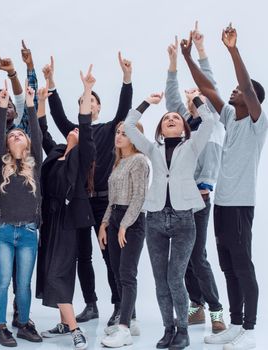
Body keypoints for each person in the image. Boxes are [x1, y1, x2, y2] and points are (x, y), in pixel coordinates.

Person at [125, 49, 215, 348]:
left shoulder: (191, 147)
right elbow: (127, 127)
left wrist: (196, 98)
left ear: (184, 125)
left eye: (177, 117)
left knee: (176, 277)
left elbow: (210, 122)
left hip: (183, 218)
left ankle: (184, 331)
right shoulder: (151, 149)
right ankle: (168, 329)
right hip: (155, 220)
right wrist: (147, 104)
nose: (172, 119)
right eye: (167, 118)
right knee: (160, 280)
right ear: (161, 128)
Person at [183, 24, 266, 350]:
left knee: (244, 266)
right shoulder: (230, 116)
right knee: (228, 266)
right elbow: (206, 87)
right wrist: (189, 57)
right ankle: (234, 323)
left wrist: (233, 50)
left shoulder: (258, 122)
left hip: (242, 204)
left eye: (239, 91)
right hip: (221, 203)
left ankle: (250, 328)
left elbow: (245, 83)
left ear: (252, 99)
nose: (233, 92)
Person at [43, 53, 133, 325]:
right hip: (81, 202)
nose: (87, 103)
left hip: (105, 203)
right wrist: (51, 82)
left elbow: (124, 111)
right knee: (82, 256)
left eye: (91, 101)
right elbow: (56, 115)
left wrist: (127, 79)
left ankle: (120, 305)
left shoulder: (109, 129)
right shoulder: (75, 131)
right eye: (83, 101)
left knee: (110, 255)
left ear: (98, 108)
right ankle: (91, 304)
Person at [165, 22, 226, 334]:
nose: (194, 96)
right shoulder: (185, 125)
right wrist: (174, 64)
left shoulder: (211, 122)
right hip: (178, 199)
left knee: (197, 256)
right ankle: (196, 305)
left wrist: (201, 51)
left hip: (201, 197)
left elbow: (210, 86)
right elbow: (172, 98)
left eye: (199, 95)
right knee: (184, 258)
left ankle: (216, 310)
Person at [37, 66, 97, 350]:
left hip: (69, 219)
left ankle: (75, 330)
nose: (73, 129)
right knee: (50, 269)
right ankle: (64, 321)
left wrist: (86, 91)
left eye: (77, 128)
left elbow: (84, 125)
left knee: (58, 271)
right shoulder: (55, 152)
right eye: (70, 129)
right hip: (49, 218)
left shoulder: (84, 155)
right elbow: (42, 130)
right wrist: (41, 100)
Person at [0, 80, 43, 347]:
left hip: (27, 232)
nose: (15, 136)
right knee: (2, 282)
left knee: (23, 284)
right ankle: (2, 327)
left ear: (28, 142)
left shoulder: (36, 166)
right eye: (11, 135)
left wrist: (31, 104)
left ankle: (23, 323)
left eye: (20, 135)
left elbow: (35, 129)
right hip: (2, 232)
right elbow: (0, 129)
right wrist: (2, 106)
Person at [98, 121, 149, 348]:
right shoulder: (119, 162)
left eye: (125, 134)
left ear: (135, 138)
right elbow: (112, 199)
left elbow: (139, 197)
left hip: (133, 221)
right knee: (118, 273)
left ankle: (124, 329)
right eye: (118, 133)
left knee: (128, 274)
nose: (119, 136)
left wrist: (125, 225)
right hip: (115, 218)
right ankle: (132, 319)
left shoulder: (139, 161)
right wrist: (105, 223)